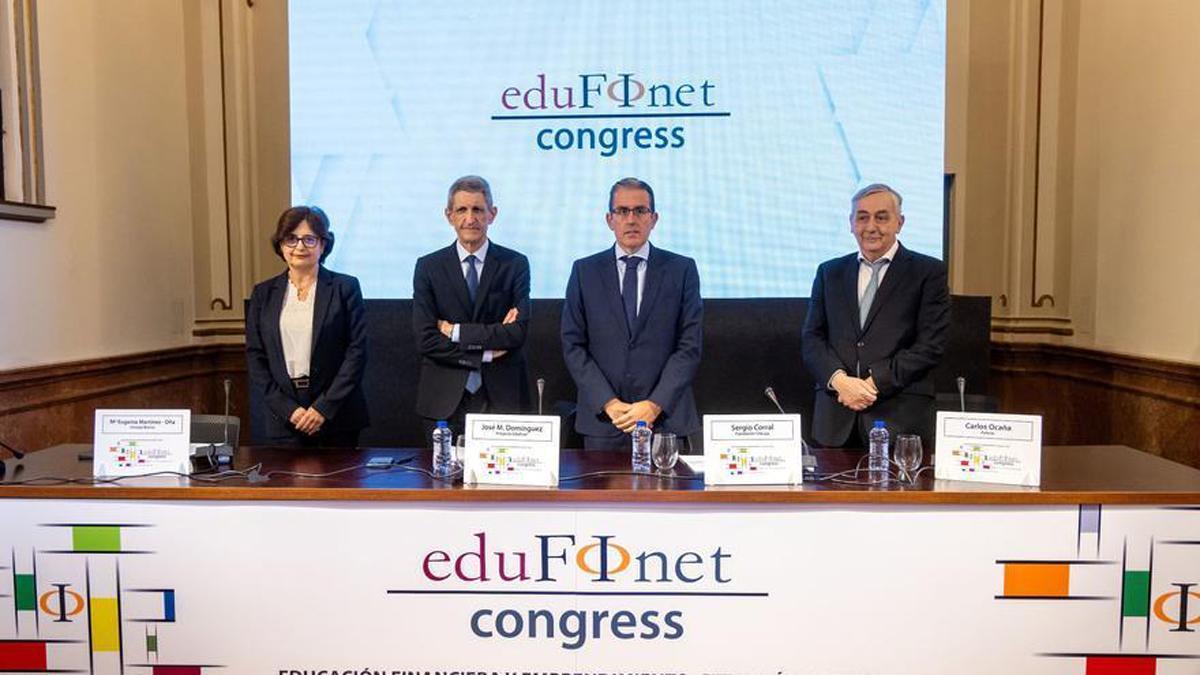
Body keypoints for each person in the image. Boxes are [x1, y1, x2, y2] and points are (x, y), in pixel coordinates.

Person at [802, 183, 949, 449]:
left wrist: (873, 384)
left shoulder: (928, 272)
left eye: (881, 217)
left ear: (899, 223)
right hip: (835, 418)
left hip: (900, 417)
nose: (871, 227)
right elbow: (812, 338)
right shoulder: (829, 272)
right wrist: (840, 382)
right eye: (862, 217)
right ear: (851, 223)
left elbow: (930, 346)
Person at [561, 177, 703, 450]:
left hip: (665, 422)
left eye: (640, 211)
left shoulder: (681, 270)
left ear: (654, 218)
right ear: (609, 219)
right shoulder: (584, 271)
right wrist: (608, 403)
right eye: (622, 211)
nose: (631, 219)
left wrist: (654, 405)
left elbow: (689, 346)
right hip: (605, 423)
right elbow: (572, 344)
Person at [412, 176, 531, 438]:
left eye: (478, 209)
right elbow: (426, 339)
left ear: (492, 214)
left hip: (502, 397)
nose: (470, 218)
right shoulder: (428, 267)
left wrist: (454, 331)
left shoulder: (515, 264)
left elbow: (516, 333)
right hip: (443, 399)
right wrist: (485, 354)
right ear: (449, 215)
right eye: (461, 210)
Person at [245, 206, 369, 447]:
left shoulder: (345, 288)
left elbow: (357, 352)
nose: (300, 247)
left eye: (309, 239)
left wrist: (323, 408)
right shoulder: (263, 294)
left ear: (323, 245)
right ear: (280, 245)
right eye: (291, 239)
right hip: (285, 418)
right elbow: (256, 356)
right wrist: (288, 410)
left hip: (337, 416)